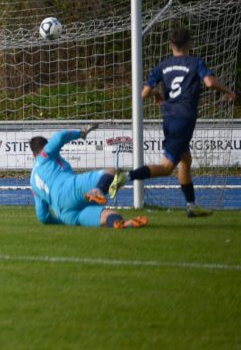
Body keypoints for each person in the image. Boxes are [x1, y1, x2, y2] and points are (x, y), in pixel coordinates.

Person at [116, 27, 237, 218]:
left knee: (186, 160)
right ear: (190, 44)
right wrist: (229, 92)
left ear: (170, 46)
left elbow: (144, 93)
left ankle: (191, 206)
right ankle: (125, 177)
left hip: (169, 119)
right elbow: (210, 83)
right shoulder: (195, 62)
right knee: (166, 167)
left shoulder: (162, 65)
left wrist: (157, 93)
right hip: (184, 119)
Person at [30, 124, 147, 229]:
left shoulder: (32, 182)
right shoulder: (45, 155)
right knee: (110, 172)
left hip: (66, 214)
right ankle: (104, 187)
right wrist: (81, 133)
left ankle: (120, 223)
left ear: (33, 154)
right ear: (45, 146)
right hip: (68, 190)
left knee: (108, 216)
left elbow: (42, 216)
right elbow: (59, 137)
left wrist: (61, 221)